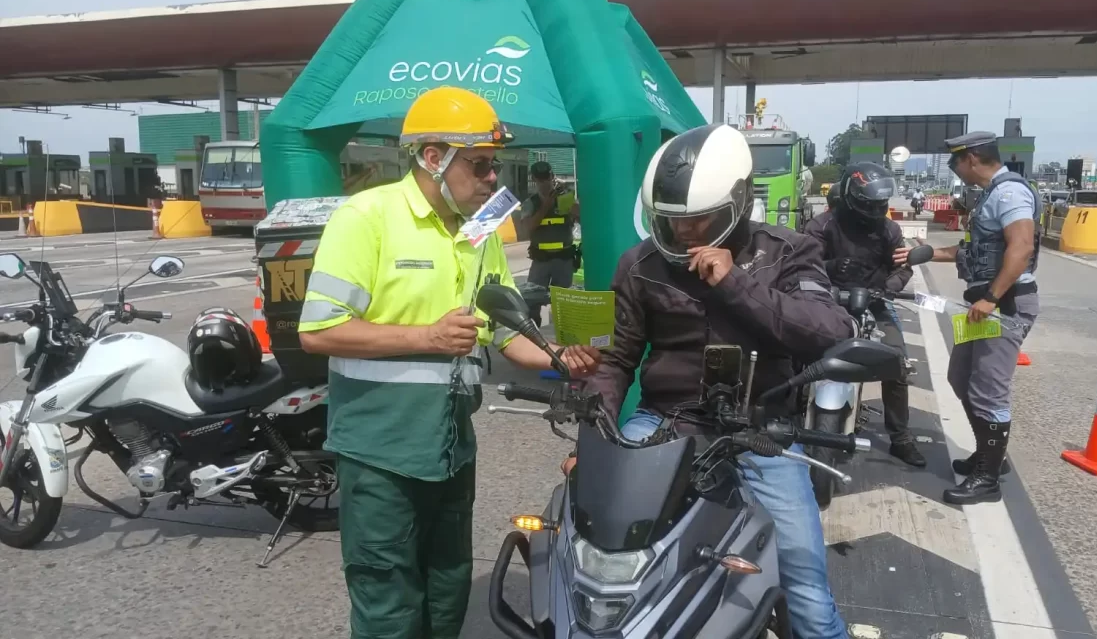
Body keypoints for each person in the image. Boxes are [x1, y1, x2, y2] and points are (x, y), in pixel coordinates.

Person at [297, 86, 601, 639]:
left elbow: (504, 334)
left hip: (451, 451)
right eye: (481, 165)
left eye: (495, 166)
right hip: (380, 453)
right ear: (433, 158)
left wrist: (562, 361)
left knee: (447, 595)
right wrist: (429, 336)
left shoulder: (479, 229)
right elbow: (319, 331)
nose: (493, 180)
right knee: (388, 602)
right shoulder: (366, 217)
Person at [576, 123, 856, 638]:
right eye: (672, 221)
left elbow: (826, 330)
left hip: (761, 433)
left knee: (809, 600)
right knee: (602, 553)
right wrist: (595, 437)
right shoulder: (639, 265)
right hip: (665, 423)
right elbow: (615, 360)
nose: (684, 234)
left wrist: (735, 284)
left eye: (700, 219)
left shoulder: (788, 251)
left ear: (738, 201)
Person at [895, 131, 1041, 505]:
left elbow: (1021, 246)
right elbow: (974, 250)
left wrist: (993, 297)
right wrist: (925, 252)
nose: (954, 169)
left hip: (1003, 305)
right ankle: (988, 455)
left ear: (972, 158)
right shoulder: (991, 194)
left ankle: (987, 479)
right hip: (979, 305)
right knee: (960, 378)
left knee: (988, 391)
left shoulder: (1010, 193)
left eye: (955, 161)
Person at [804, 162, 926, 468]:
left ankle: (900, 437)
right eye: (867, 203)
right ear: (849, 195)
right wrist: (829, 268)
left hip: (874, 301)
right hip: (826, 298)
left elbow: (903, 265)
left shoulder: (890, 229)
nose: (873, 209)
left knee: (897, 362)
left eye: (879, 204)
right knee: (788, 343)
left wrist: (888, 288)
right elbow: (802, 259)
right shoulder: (822, 226)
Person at [519, 160, 579, 324]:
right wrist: (546, 206)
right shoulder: (531, 203)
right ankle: (533, 334)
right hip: (541, 261)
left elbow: (582, 218)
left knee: (564, 303)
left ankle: (566, 338)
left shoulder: (565, 197)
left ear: (552, 177)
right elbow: (528, 228)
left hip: (564, 260)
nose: (544, 182)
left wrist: (570, 204)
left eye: (547, 178)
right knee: (531, 300)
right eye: (540, 179)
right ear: (535, 180)